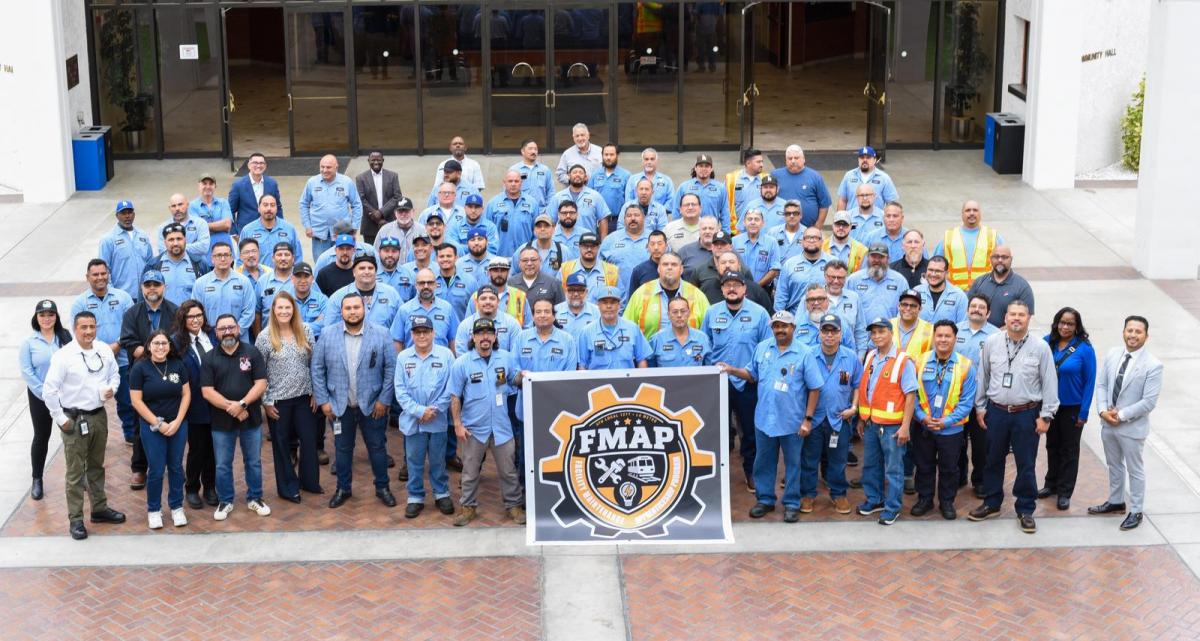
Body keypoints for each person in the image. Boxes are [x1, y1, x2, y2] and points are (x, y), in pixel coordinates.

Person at [967, 300, 1059, 534]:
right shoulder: (991, 342)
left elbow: (1050, 382)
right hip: (996, 411)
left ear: (1029, 318)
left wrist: (1046, 416)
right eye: (1012, 314)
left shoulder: (1040, 347)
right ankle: (992, 502)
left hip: (1026, 413)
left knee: (1026, 463)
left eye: (1021, 315)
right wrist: (980, 407)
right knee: (993, 459)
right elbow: (983, 375)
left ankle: (1025, 508)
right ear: (1005, 317)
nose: (1016, 318)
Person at [42, 311, 127, 539]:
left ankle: (99, 508)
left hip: (99, 415)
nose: (88, 331)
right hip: (75, 419)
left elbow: (115, 374)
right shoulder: (63, 356)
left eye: (92, 326)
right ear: (75, 328)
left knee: (97, 466)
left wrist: (112, 389)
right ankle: (76, 519)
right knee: (75, 472)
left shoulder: (104, 350)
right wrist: (61, 419)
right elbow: (48, 391)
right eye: (83, 327)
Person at [719, 310, 808, 522]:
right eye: (777, 326)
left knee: (793, 463)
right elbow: (752, 375)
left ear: (793, 328)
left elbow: (814, 388)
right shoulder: (762, 348)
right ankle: (765, 499)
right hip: (765, 418)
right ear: (772, 328)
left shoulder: (804, 352)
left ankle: (792, 503)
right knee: (763, 462)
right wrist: (731, 369)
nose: (780, 330)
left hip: (792, 419)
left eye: (784, 326)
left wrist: (808, 418)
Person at [312, 294, 397, 508]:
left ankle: (383, 488)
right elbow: (317, 369)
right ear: (341, 311)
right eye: (347, 308)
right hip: (340, 406)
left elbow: (390, 369)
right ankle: (343, 488)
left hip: (373, 406)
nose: (352, 311)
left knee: (377, 448)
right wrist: (323, 401)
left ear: (364, 309)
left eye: (356, 307)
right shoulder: (327, 334)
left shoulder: (381, 334)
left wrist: (384, 400)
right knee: (342, 449)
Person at [449, 318, 525, 526]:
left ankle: (514, 506)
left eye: (488, 333)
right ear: (473, 338)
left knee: (508, 470)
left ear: (494, 337)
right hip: (473, 429)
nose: (484, 337)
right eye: (480, 333)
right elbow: (455, 396)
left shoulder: (505, 358)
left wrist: (524, 377)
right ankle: (467, 507)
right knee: (470, 471)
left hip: (502, 427)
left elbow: (513, 380)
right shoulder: (462, 363)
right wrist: (458, 425)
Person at [1089, 315, 1163, 531]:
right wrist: (1103, 411)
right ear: (1123, 332)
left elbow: (1148, 402)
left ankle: (1136, 510)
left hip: (1131, 427)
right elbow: (1102, 384)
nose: (1133, 335)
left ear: (1146, 336)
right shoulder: (1113, 354)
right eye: (1129, 330)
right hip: (1108, 424)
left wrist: (1119, 415)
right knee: (1113, 465)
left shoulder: (1153, 365)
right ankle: (1116, 502)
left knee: (1135, 469)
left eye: (1138, 332)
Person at [703, 270, 771, 491]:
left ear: (744, 288)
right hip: (718, 383)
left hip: (748, 382)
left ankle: (751, 471)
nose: (731, 289)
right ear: (722, 289)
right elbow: (705, 344)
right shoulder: (711, 313)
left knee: (750, 432)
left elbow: (767, 349)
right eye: (727, 285)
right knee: (717, 431)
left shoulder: (760, 314)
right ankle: (716, 476)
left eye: (736, 285)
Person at [200, 313, 271, 521]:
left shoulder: (252, 353)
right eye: (222, 329)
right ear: (216, 332)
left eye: (231, 327)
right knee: (222, 463)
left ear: (239, 329)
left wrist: (242, 404)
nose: (227, 332)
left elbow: (261, 383)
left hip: (250, 418)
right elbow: (207, 391)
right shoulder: (209, 358)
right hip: (221, 421)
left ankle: (255, 498)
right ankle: (226, 500)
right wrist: (232, 407)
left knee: (254, 461)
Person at [256, 291, 322, 503]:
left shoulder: (305, 331)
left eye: (288, 307)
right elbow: (259, 372)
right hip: (278, 401)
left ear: (294, 309)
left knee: (309, 441)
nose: (284, 311)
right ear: (273, 311)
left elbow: (313, 364)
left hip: (304, 397)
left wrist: (315, 392)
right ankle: (287, 487)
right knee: (282, 445)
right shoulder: (265, 337)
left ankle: (310, 482)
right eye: (280, 308)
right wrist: (265, 402)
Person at [910, 320, 977, 520]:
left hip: (951, 430)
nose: (943, 339)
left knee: (949, 468)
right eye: (939, 335)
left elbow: (967, 402)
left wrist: (945, 421)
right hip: (924, 427)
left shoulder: (966, 366)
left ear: (955, 339)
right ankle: (925, 499)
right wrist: (922, 418)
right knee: (923, 465)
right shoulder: (919, 362)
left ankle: (947, 502)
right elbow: (911, 395)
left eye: (948, 336)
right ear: (933, 337)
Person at [119, 270, 179, 490]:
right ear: (142, 288)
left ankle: (170, 464)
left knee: (172, 419)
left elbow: (179, 341)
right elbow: (129, 342)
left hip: (169, 374)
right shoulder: (132, 313)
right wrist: (153, 356)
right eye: (148, 285)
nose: (152, 288)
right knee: (139, 422)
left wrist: (162, 356)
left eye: (156, 284)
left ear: (164, 286)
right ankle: (139, 468)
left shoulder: (175, 311)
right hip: (141, 376)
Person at [855, 316, 918, 525]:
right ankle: (875, 500)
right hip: (872, 423)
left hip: (893, 427)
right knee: (871, 465)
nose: (877, 336)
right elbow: (867, 389)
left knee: (894, 469)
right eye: (873, 333)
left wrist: (906, 426)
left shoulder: (903, 360)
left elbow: (911, 395)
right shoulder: (871, 356)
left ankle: (892, 507)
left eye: (881, 331)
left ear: (891, 333)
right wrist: (862, 419)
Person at [394, 315, 456, 519]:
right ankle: (415, 497)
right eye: (417, 332)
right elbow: (400, 390)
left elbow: (451, 387)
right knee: (414, 460)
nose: (422, 336)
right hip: (413, 421)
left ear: (433, 333)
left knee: (438, 460)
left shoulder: (446, 355)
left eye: (425, 331)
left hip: (437, 421)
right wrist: (419, 411)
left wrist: (433, 410)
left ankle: (441, 493)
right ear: (412, 334)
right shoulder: (403, 358)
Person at [799, 314, 862, 514]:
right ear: (819, 334)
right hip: (814, 418)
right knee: (809, 459)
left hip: (839, 418)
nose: (829, 335)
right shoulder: (808, 355)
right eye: (825, 331)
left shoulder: (850, 356)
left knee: (838, 459)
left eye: (834, 331)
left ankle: (838, 494)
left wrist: (854, 408)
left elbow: (859, 385)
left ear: (840, 334)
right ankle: (808, 494)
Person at [1036, 307, 1097, 511]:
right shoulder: (1047, 342)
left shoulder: (1084, 348)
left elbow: (1090, 382)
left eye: (1070, 323)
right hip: (1050, 406)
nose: (1065, 326)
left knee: (1069, 450)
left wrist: (1084, 412)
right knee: (1051, 446)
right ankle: (1050, 484)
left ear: (1077, 326)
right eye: (1062, 322)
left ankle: (1064, 491)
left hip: (1072, 407)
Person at [128, 330, 191, 530]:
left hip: (177, 425)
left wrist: (178, 421)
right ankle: (154, 510)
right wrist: (158, 423)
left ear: (170, 346)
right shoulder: (140, 368)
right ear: (148, 346)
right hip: (151, 426)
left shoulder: (177, 365)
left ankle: (176, 506)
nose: (161, 347)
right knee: (155, 469)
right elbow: (136, 401)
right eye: (156, 343)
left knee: (175, 466)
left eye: (164, 343)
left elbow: (186, 394)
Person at [71, 259, 136, 447]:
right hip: (92, 362)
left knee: (126, 399)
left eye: (103, 273)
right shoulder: (80, 303)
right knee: (90, 402)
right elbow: (79, 333)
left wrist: (116, 346)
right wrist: (103, 350)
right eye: (95, 274)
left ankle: (130, 434)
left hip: (122, 359)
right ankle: (91, 437)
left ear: (108, 274)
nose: (100, 277)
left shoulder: (123, 298)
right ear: (87, 277)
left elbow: (131, 327)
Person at [19, 300, 73, 501]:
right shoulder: (29, 343)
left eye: (51, 314)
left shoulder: (65, 337)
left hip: (65, 395)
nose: (47, 318)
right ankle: (37, 479)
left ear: (56, 317)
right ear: (36, 318)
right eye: (42, 315)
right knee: (41, 436)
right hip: (40, 397)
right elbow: (27, 372)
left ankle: (79, 476)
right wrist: (46, 393)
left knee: (72, 435)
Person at [174, 301, 218, 508]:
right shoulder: (176, 343)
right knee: (197, 449)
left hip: (216, 403)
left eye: (199, 315)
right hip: (194, 404)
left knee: (213, 449)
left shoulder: (212, 337)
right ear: (183, 319)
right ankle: (192, 488)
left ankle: (210, 487)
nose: (195, 320)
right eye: (190, 316)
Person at [955, 294, 998, 497]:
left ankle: (980, 480)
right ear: (967, 309)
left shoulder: (995, 335)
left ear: (988, 313)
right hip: (956, 398)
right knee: (957, 442)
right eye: (973, 306)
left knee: (981, 445)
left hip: (983, 400)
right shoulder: (955, 331)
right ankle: (959, 475)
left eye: (982, 307)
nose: (977, 310)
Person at [624, 252, 709, 338]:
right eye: (665, 264)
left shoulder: (697, 295)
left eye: (674, 265)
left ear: (681, 270)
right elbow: (627, 328)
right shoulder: (641, 293)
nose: (669, 267)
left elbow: (709, 331)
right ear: (658, 269)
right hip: (650, 351)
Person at [299, 154, 363, 258]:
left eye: (328, 167)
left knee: (344, 263)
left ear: (336, 167)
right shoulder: (312, 182)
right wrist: (307, 225)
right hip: (319, 235)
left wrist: (354, 226)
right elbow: (303, 204)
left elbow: (357, 205)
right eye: (322, 167)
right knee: (321, 267)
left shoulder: (346, 182)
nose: (324, 170)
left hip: (342, 235)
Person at [192, 241, 258, 341]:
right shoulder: (200, 283)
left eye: (226, 255)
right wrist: (210, 333)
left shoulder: (244, 282)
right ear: (212, 259)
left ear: (232, 258)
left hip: (239, 339)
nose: (223, 259)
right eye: (218, 255)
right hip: (210, 339)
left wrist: (237, 331)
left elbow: (249, 311)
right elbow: (196, 312)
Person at [935, 200, 1004, 291]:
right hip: (954, 293)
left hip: (985, 292)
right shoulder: (949, 237)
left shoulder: (993, 236)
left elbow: (1003, 266)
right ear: (962, 214)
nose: (971, 213)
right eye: (968, 210)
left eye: (975, 210)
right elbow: (935, 266)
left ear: (980, 214)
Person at [578, 286, 651, 369]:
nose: (609, 306)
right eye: (605, 303)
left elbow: (641, 360)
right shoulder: (587, 332)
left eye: (613, 302)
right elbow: (582, 365)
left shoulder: (633, 329)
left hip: (626, 380)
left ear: (619, 305)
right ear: (598, 305)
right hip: (598, 381)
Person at [324, 255, 403, 331]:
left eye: (370, 268)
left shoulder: (391, 293)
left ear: (376, 272)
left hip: (385, 343)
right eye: (362, 268)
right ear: (354, 272)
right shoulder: (338, 297)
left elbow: (403, 322)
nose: (366, 272)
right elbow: (329, 329)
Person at [966, 245, 1034, 328]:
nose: (1000, 260)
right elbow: (968, 309)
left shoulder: (1022, 287)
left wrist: (997, 334)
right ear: (990, 259)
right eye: (996, 257)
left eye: (1004, 257)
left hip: (1006, 337)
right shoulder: (979, 282)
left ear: (1011, 260)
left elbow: (1025, 318)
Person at [392, 267, 459, 352]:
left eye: (430, 283)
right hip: (413, 362)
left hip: (441, 363)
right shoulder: (404, 310)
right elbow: (397, 341)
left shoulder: (447, 308)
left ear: (436, 285)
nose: (426, 286)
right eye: (422, 283)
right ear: (416, 285)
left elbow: (453, 340)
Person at [99, 199, 154, 300]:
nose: (127, 216)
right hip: (121, 296)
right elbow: (104, 269)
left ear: (134, 214)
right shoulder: (108, 239)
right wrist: (112, 293)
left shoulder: (143, 236)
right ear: (117, 216)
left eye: (129, 212)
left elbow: (151, 264)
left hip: (144, 296)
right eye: (123, 213)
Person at [775, 227, 834, 313]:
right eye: (808, 237)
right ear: (802, 242)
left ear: (822, 242)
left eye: (815, 238)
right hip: (795, 318)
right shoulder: (790, 264)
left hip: (826, 319)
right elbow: (781, 295)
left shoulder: (833, 263)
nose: (811, 240)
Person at [846, 243, 908, 324]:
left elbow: (906, 309)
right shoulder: (853, 280)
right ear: (867, 257)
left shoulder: (900, 281)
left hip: (891, 333)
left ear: (888, 259)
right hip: (861, 334)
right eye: (873, 256)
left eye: (881, 257)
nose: (877, 260)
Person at [770, 145, 831, 228]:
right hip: (781, 229)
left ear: (804, 159)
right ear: (786, 160)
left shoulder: (815, 177)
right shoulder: (775, 175)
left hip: (808, 231)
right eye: (790, 158)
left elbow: (824, 204)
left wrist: (818, 226)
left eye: (796, 158)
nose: (793, 161)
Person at [238, 193, 303, 269]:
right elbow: (240, 260)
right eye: (265, 205)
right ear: (258, 208)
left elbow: (298, 257)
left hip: (284, 278)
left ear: (276, 208)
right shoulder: (248, 230)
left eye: (272, 205)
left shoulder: (289, 229)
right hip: (257, 278)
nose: (269, 208)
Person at [545, 164, 612, 236]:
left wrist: (603, 242)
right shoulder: (558, 197)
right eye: (574, 172)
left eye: (581, 173)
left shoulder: (595, 196)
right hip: (563, 242)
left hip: (588, 242)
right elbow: (550, 221)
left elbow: (603, 219)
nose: (577, 175)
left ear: (586, 177)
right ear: (568, 176)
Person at [487, 171, 540, 257]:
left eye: (516, 181)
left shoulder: (532, 203)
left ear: (521, 183)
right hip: (499, 256)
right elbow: (487, 231)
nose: (513, 184)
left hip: (525, 256)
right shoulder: (493, 203)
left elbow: (536, 231)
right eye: (510, 181)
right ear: (504, 183)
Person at [599, 204, 651, 293]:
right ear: (624, 219)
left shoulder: (654, 239)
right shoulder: (610, 240)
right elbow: (599, 267)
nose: (633, 218)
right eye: (629, 216)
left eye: (637, 215)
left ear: (644, 218)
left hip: (647, 295)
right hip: (616, 296)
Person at [228, 152, 284, 234]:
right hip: (247, 231)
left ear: (265, 166)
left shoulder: (272, 184)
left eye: (261, 163)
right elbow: (230, 210)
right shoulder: (238, 185)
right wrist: (234, 233)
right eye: (255, 163)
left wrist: (280, 227)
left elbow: (278, 207)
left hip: (269, 229)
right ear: (249, 165)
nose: (258, 165)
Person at [649, 297, 712, 367]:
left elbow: (710, 369)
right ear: (668, 315)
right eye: (675, 312)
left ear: (689, 313)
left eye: (683, 311)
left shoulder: (702, 338)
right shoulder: (657, 339)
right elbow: (650, 371)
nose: (679, 315)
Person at [150, 223, 204, 306]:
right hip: (163, 317)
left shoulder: (199, 264)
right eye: (171, 240)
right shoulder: (153, 265)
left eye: (179, 239)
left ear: (185, 240)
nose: (175, 243)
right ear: (165, 242)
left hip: (190, 317)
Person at [355, 151, 403, 244]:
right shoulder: (361, 178)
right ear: (368, 161)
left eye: (378, 160)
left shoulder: (393, 176)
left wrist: (381, 212)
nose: (376, 162)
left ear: (383, 160)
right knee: (371, 254)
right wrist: (375, 215)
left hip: (389, 221)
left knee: (391, 252)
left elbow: (397, 196)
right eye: (373, 160)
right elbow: (361, 199)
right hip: (370, 224)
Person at [674, 154, 730, 232]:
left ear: (711, 169)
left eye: (707, 166)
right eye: (700, 166)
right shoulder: (684, 187)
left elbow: (725, 213)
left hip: (711, 231)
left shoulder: (720, 188)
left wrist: (726, 233)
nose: (703, 168)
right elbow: (677, 211)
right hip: (689, 231)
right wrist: (677, 231)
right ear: (695, 168)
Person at [154, 193, 211, 267]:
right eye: (173, 206)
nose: (177, 209)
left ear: (187, 205)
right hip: (172, 268)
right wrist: (193, 245)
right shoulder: (162, 227)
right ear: (169, 208)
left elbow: (203, 247)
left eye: (180, 204)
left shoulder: (200, 223)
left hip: (198, 268)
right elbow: (163, 250)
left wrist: (175, 247)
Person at [836, 145, 899, 211]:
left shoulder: (884, 178)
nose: (865, 160)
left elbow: (891, 203)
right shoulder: (849, 176)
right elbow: (842, 200)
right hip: (852, 220)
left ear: (875, 160)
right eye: (862, 157)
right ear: (858, 160)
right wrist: (839, 219)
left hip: (875, 220)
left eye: (868, 157)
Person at [190, 173, 235, 264]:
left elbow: (227, 225)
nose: (208, 186)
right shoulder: (192, 206)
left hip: (225, 251)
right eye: (204, 183)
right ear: (199, 186)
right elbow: (196, 230)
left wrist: (204, 226)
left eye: (211, 184)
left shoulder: (223, 203)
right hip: (204, 254)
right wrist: (219, 226)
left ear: (215, 186)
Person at [733, 210, 781, 290]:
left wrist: (755, 287)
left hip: (762, 290)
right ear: (744, 222)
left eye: (756, 219)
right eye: (749, 219)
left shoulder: (771, 242)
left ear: (762, 223)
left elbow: (774, 270)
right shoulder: (734, 241)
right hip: (738, 289)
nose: (753, 222)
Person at [589, 143, 631, 233]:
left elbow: (629, 200)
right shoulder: (595, 175)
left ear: (617, 155)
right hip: (597, 221)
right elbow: (589, 197)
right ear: (602, 156)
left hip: (617, 222)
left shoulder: (626, 176)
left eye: (611, 154)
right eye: (606, 154)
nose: (608, 157)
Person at [624, 147, 675, 218]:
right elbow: (628, 201)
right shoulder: (632, 179)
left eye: (652, 159)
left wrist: (658, 212)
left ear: (656, 161)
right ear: (642, 161)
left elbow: (671, 201)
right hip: (637, 219)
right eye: (646, 159)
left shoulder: (667, 180)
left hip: (659, 220)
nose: (649, 162)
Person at [915, 256, 967, 324]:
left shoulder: (959, 297)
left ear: (946, 273)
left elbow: (963, 327)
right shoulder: (916, 292)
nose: (933, 274)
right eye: (930, 270)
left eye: (938, 271)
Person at [510, 138, 556, 206]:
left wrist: (548, 209)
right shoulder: (514, 170)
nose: (533, 152)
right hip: (521, 210)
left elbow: (551, 191)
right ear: (523, 151)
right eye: (530, 149)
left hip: (541, 211)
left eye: (535, 149)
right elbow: (508, 191)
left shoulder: (545, 170)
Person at [727, 148, 764, 223]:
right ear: (748, 163)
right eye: (758, 162)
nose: (761, 165)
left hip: (759, 226)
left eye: (762, 162)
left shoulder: (765, 179)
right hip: (737, 228)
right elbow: (724, 204)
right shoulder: (732, 179)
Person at [891, 289, 933, 356]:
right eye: (904, 304)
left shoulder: (931, 330)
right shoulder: (888, 325)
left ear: (920, 309)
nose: (908, 308)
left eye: (913, 306)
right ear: (898, 306)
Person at [768, 200, 807, 265]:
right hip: (776, 273)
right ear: (784, 216)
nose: (791, 216)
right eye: (788, 213)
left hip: (799, 272)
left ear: (801, 215)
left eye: (795, 213)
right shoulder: (773, 233)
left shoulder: (808, 233)